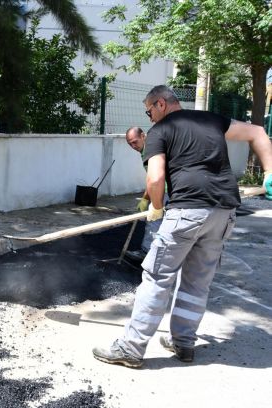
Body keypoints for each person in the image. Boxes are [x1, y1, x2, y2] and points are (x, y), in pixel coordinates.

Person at [93, 85, 272, 368]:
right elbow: (258, 132)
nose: (149, 117)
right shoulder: (211, 120)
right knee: (197, 282)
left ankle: (131, 347)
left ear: (161, 104)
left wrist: (156, 206)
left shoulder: (160, 132)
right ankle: (184, 343)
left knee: (157, 278)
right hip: (223, 212)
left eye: (149, 111)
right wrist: (270, 172)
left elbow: (155, 179)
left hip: (187, 211)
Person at [124, 126, 156, 262]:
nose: (133, 146)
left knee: (154, 220)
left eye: (135, 142)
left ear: (143, 136)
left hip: (164, 190)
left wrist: (145, 199)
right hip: (163, 189)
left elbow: (153, 178)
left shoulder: (151, 149)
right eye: (130, 144)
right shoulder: (147, 148)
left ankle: (147, 253)